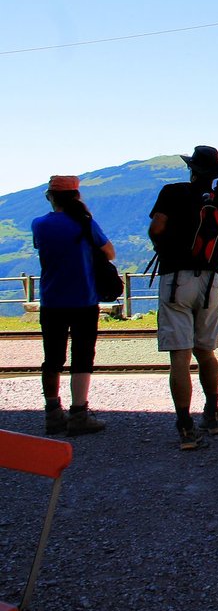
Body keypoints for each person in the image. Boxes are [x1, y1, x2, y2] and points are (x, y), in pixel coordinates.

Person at [148, 146, 218, 450]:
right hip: (210, 281)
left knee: (180, 357)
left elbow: (156, 228)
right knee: (206, 351)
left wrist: (165, 248)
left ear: (191, 169)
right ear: (216, 174)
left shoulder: (171, 192)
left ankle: (185, 426)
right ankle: (212, 415)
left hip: (175, 279)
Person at [31, 175, 115, 436]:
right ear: (77, 197)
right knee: (82, 356)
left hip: (52, 299)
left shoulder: (39, 225)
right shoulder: (85, 223)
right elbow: (109, 252)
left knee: (52, 358)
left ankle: (52, 414)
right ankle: (79, 413)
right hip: (84, 299)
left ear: (50, 197)